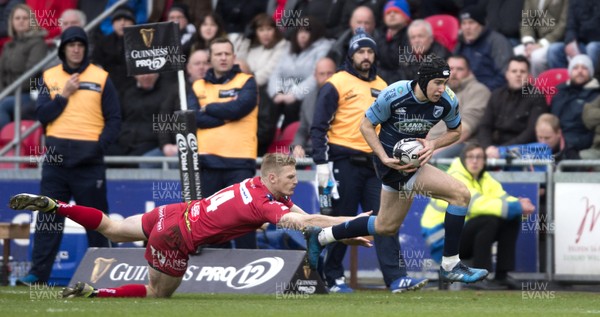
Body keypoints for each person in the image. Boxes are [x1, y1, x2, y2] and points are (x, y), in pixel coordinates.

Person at [9, 153, 371, 298]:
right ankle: (96, 294)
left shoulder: (256, 185)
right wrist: (360, 222)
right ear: (273, 176)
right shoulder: (265, 203)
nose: (296, 181)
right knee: (157, 296)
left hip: (172, 213)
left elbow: (307, 220)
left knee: (113, 227)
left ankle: (59, 206)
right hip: (176, 237)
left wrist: (347, 231)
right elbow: (306, 222)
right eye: (291, 177)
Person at [350, 55, 489, 284]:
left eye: (445, 83)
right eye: (437, 83)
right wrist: (383, 156)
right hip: (391, 165)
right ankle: (450, 265)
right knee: (461, 194)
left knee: (385, 225)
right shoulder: (395, 94)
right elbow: (366, 125)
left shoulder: (447, 100)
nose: (442, 88)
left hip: (411, 163)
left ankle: (326, 234)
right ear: (423, 81)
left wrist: (433, 144)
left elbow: (456, 131)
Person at [310, 28, 427, 293]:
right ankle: (332, 277)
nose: (365, 56)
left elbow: (392, 125)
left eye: (370, 51)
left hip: (377, 163)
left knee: (386, 220)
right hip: (343, 162)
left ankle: (397, 278)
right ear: (351, 54)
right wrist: (321, 164)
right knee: (343, 221)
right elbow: (318, 127)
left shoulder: (383, 86)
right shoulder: (336, 83)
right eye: (360, 51)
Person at [17, 26, 121, 285]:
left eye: (80, 45)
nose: (75, 49)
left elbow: (115, 119)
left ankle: (104, 276)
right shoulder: (50, 76)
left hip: (89, 162)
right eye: (71, 44)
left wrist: (98, 147)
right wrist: (64, 96)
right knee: (48, 220)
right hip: (56, 162)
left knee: (98, 222)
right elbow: (42, 115)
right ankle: (37, 275)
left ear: (86, 48)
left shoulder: (101, 77)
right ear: (63, 48)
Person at [421, 144, 536, 290]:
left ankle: (502, 276)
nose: (475, 161)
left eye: (479, 157)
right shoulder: (456, 175)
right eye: (470, 157)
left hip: (462, 234)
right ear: (463, 159)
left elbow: (502, 196)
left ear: (484, 161)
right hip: (443, 241)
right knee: (488, 220)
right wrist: (517, 206)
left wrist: (519, 203)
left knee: (511, 217)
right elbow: (476, 204)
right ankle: (481, 278)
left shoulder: (483, 177)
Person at [191, 37, 259, 249]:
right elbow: (193, 118)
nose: (223, 58)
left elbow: (240, 108)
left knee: (244, 221)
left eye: (227, 54)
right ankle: (216, 276)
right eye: (218, 54)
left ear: (233, 57)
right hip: (207, 163)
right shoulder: (197, 85)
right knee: (212, 224)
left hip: (239, 164)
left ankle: (250, 269)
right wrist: (228, 113)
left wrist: (209, 107)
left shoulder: (247, 81)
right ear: (210, 58)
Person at [477, 55, 548, 159]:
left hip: (522, 151)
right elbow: (485, 126)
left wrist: (502, 150)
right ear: (507, 75)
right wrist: (487, 147)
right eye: (514, 71)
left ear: (529, 76)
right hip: (493, 149)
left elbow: (531, 132)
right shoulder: (496, 95)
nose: (518, 75)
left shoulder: (537, 96)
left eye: (522, 71)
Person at [429, 54, 491, 158]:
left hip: (461, 144)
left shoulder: (478, 91)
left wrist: (433, 151)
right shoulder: (438, 90)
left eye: (460, 69)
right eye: (450, 69)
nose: (454, 73)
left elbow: (464, 131)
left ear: (469, 72)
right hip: (432, 144)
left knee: (435, 159)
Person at [0, 3, 48, 129]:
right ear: (12, 22)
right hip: (8, 94)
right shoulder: (8, 45)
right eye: (17, 18)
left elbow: (32, 73)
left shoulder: (38, 43)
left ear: (31, 21)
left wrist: (7, 93)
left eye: (25, 18)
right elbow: (1, 74)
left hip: (29, 94)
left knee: (2, 105)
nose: (21, 21)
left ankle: (5, 144)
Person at [454, 4, 513, 91]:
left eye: (471, 22)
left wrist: (482, 89)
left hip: (488, 92)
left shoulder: (496, 42)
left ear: (481, 25)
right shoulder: (461, 44)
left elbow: (505, 75)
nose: (467, 27)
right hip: (461, 92)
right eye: (464, 23)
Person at [551, 54, 600, 152]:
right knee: (527, 157)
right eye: (575, 68)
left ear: (591, 72)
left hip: (579, 147)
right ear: (570, 71)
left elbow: (594, 131)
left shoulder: (597, 95)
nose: (580, 71)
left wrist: (572, 144)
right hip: (554, 142)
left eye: (584, 68)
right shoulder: (560, 91)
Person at [292, 57, 337, 158]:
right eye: (322, 74)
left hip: (339, 151)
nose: (326, 77)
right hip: (315, 151)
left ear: (336, 74)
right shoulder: (308, 99)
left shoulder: (346, 96)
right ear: (315, 76)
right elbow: (302, 129)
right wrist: (298, 146)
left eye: (329, 73)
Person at [90, 6, 136, 101]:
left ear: (133, 23)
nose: (122, 23)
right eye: (118, 19)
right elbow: (95, 63)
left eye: (126, 19)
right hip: (108, 89)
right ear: (113, 23)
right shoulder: (103, 42)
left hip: (135, 90)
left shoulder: (140, 43)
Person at [514, 0, 567, 77]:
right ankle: (522, 87)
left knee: (537, 57)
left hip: (556, 40)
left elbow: (563, 24)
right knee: (516, 52)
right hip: (536, 40)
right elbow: (527, 21)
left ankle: (539, 86)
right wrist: (528, 43)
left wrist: (541, 44)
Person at [374, 0, 411, 84]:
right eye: (388, 12)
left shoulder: (411, 36)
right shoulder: (378, 36)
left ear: (406, 16)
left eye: (396, 12)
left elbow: (406, 71)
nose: (392, 14)